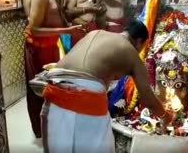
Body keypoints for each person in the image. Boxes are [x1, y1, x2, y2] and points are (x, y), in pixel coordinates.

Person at [40, 20, 173, 152]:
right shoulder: (132, 54)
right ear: (139, 41)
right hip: (85, 106)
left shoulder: (95, 33)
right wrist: (165, 116)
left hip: (53, 99)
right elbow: (148, 99)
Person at [25, 0, 83, 138]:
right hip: (38, 46)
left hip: (53, 43)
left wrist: (71, 28)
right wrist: (67, 30)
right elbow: (34, 28)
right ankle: (44, 132)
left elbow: (57, 13)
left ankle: (55, 127)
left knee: (56, 86)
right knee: (41, 90)